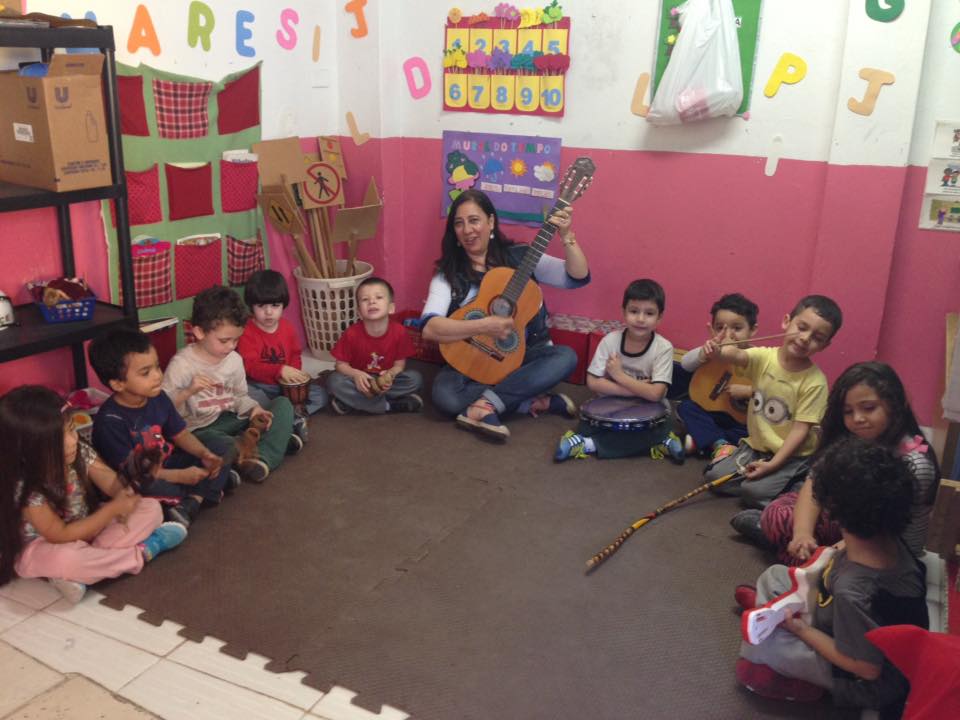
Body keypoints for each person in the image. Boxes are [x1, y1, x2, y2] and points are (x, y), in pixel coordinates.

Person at [735, 437, 928, 714]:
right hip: (843, 618)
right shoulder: (884, 537)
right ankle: (771, 612)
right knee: (775, 575)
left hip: (861, 678)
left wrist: (802, 631)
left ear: (835, 512)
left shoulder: (854, 591)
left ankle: (800, 681)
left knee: (767, 648)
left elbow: (867, 668)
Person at [420, 189, 588, 440]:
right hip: (472, 358)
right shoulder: (448, 274)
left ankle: (484, 405)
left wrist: (566, 236)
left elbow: (577, 276)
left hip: (521, 357)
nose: (467, 230)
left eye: (474, 220)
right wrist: (483, 326)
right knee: (445, 397)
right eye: (459, 223)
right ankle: (526, 400)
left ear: (491, 221)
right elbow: (429, 329)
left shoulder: (522, 257)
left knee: (565, 357)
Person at [0, 386, 187, 605]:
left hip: (89, 528)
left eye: (71, 430)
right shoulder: (25, 487)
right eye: (58, 440)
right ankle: (144, 551)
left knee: (150, 508)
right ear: (27, 451)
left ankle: (86, 571)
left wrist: (131, 486)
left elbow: (113, 485)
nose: (72, 441)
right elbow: (59, 534)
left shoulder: (79, 452)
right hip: (47, 544)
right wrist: (112, 510)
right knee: (65, 559)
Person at [742, 362, 939, 563]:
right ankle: (787, 540)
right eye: (848, 412)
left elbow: (881, 536)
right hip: (847, 525)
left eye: (869, 408)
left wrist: (826, 556)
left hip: (882, 550)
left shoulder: (914, 463)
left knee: (781, 523)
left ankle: (779, 543)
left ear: (895, 404)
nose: (858, 418)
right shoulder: (852, 437)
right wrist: (802, 535)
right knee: (781, 511)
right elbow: (814, 483)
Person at [703, 295, 842, 510]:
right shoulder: (764, 357)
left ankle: (801, 483)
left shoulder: (815, 382)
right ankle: (764, 481)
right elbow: (736, 355)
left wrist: (774, 465)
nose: (805, 338)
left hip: (792, 455)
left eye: (817, 337)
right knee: (715, 477)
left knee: (753, 493)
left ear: (825, 345)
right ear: (787, 322)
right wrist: (720, 350)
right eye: (801, 327)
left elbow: (800, 431)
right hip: (757, 447)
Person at [89, 328, 236, 529]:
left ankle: (194, 499)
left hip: (168, 461)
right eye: (145, 373)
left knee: (222, 444)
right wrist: (180, 476)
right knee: (145, 489)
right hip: (139, 477)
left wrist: (204, 454)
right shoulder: (109, 422)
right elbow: (133, 474)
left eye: (157, 367)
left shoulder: (158, 397)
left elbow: (180, 434)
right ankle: (207, 489)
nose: (157, 376)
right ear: (118, 384)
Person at [162, 286, 297, 485]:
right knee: (222, 444)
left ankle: (261, 457)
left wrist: (254, 409)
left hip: (227, 419)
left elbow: (239, 397)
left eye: (236, 339)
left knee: (283, 405)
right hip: (197, 430)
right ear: (199, 332)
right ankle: (269, 444)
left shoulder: (234, 360)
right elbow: (162, 412)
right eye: (224, 340)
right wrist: (188, 392)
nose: (231, 346)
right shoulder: (181, 365)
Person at [554, 279, 684, 463]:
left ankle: (586, 444)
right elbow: (593, 382)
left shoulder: (663, 347)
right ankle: (659, 443)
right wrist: (637, 389)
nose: (640, 319)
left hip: (648, 411)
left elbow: (656, 394)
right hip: (610, 408)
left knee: (659, 424)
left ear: (659, 317)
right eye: (634, 311)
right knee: (587, 423)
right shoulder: (610, 340)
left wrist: (619, 376)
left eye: (649, 313)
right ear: (623, 312)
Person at [237, 269, 327, 441]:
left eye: (275, 305)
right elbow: (249, 367)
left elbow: (295, 355)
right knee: (247, 395)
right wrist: (280, 370)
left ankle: (285, 417)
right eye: (261, 306)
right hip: (260, 386)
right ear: (251, 305)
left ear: (283, 305)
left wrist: (294, 377)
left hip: (285, 387)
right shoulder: (246, 331)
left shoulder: (288, 328)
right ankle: (293, 419)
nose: (268, 312)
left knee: (320, 395)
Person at [676, 293, 759, 461]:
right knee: (685, 407)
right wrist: (702, 354)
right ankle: (720, 444)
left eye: (737, 328)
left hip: (740, 420)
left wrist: (749, 391)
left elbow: (772, 390)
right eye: (720, 328)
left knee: (755, 432)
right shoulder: (713, 351)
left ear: (752, 330)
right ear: (712, 329)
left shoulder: (758, 357)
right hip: (709, 412)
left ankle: (704, 442)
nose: (728, 334)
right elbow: (685, 364)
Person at [327, 277, 423, 414]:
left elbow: (399, 365)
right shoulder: (351, 333)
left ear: (391, 308)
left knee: (415, 378)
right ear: (359, 312)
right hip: (360, 381)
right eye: (365, 299)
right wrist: (356, 374)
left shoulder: (400, 332)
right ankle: (389, 406)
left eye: (379, 297)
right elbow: (340, 365)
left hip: (384, 379)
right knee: (334, 381)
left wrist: (390, 375)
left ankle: (353, 402)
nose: (372, 301)